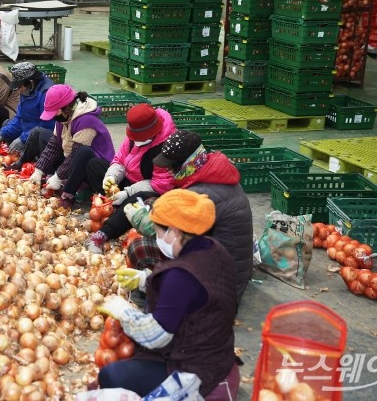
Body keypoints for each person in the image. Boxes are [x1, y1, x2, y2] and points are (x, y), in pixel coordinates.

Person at [97, 189, 239, 400]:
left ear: (175, 232)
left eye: (159, 232)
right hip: (219, 353)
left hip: (195, 367)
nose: (157, 238)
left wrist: (124, 311)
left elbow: (156, 336)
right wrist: (145, 280)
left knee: (110, 376)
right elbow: (191, 297)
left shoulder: (180, 276)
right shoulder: (215, 249)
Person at [123, 130, 253, 301]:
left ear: (187, 163)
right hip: (224, 265)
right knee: (153, 201)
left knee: (139, 248)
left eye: (171, 166)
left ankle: (160, 293)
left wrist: (141, 219)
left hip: (217, 285)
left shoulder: (203, 193)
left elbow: (173, 236)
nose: (168, 170)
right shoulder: (210, 173)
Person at [83, 103, 176, 254]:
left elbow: (162, 184)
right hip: (128, 180)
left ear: (153, 132)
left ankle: (103, 233)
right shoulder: (134, 136)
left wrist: (127, 193)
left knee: (137, 198)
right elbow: (119, 160)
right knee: (94, 166)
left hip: (147, 189)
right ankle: (107, 209)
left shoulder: (166, 146)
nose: (136, 141)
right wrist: (112, 176)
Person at [28, 85, 115, 210]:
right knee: (44, 135)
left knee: (82, 152)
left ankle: (68, 194)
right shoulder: (63, 119)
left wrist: (59, 176)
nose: (53, 116)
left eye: (54, 112)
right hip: (74, 160)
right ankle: (51, 180)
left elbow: (76, 154)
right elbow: (53, 146)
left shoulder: (86, 120)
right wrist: (39, 170)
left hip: (94, 168)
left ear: (66, 107)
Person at [0, 62, 56, 162]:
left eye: (20, 87)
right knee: (6, 125)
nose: (18, 90)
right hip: (27, 130)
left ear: (31, 82)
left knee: (37, 133)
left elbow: (47, 125)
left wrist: (23, 139)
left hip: (40, 135)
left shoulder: (46, 93)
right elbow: (19, 117)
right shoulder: (27, 90)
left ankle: (29, 159)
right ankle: (17, 155)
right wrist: (3, 133)